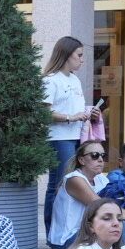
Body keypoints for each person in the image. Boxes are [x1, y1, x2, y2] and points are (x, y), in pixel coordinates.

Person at [41, 36, 100, 233]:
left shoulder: (74, 79)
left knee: (73, 182)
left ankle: (70, 227)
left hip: (76, 137)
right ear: (67, 55)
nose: (82, 60)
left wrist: (88, 113)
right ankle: (52, 231)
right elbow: (43, 112)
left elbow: (76, 109)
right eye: (79, 55)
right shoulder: (51, 80)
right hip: (58, 138)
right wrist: (70, 117)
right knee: (58, 184)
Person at [48, 142, 109, 249]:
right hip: (66, 243)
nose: (100, 159)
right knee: (116, 224)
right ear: (81, 160)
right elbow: (103, 208)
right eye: (95, 155)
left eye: (103, 155)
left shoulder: (101, 179)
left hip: (87, 235)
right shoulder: (74, 179)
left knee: (121, 224)